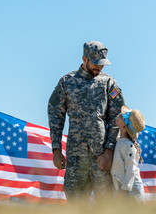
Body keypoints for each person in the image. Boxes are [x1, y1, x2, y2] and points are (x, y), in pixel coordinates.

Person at [48, 41, 125, 201]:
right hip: (76, 158)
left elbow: (118, 116)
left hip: (102, 158)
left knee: (107, 206)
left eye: (102, 64)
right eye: (96, 63)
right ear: (84, 59)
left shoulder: (109, 83)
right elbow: (55, 113)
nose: (100, 67)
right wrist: (56, 149)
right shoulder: (66, 82)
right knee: (76, 205)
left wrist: (109, 150)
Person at [111, 105, 145, 202]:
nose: (119, 115)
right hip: (124, 190)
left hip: (132, 193)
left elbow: (130, 171)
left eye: (122, 116)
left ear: (124, 126)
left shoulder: (128, 146)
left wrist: (122, 193)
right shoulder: (120, 141)